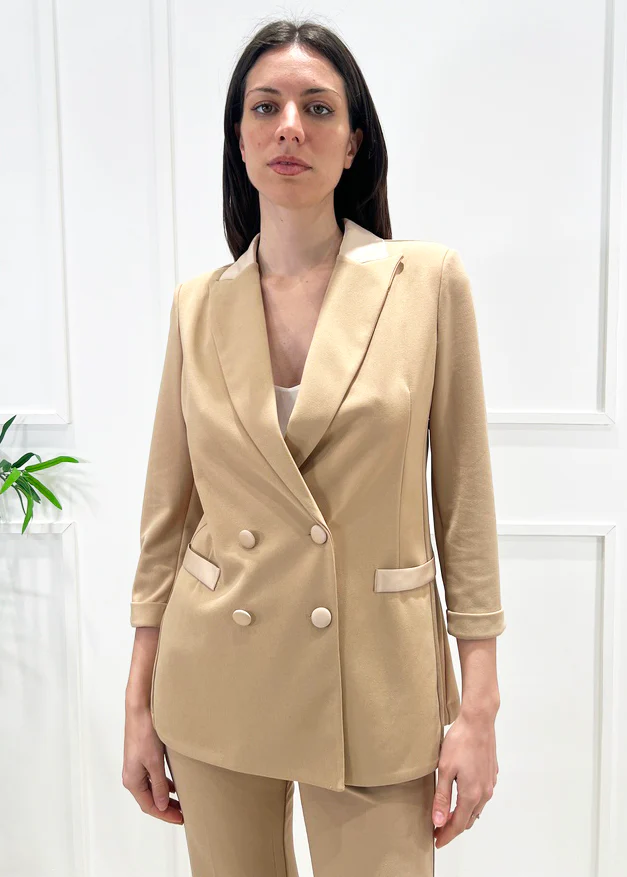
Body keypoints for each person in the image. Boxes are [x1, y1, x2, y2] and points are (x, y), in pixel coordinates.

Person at [122, 17, 506, 877]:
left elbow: (464, 510)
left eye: (317, 107)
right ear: (240, 140)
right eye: (265, 107)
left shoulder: (424, 282)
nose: (289, 126)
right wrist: (137, 703)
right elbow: (166, 521)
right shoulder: (197, 305)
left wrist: (477, 709)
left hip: (374, 680)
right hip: (216, 675)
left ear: (352, 141)